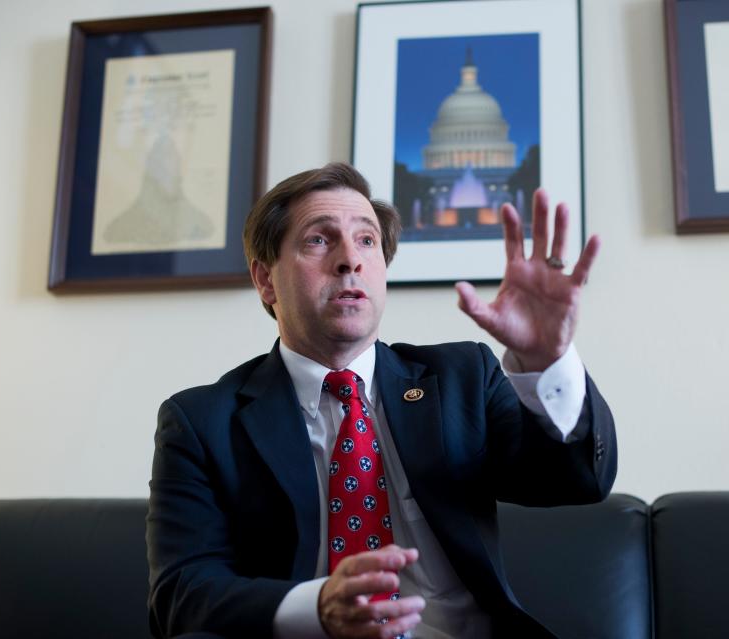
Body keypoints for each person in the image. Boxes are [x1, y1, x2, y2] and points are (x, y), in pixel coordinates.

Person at [146, 162, 616, 639]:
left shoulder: (462, 379)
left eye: (367, 240)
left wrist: (545, 362)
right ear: (266, 279)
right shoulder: (202, 423)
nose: (350, 259)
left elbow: (577, 480)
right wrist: (319, 608)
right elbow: (182, 595)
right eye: (319, 239)